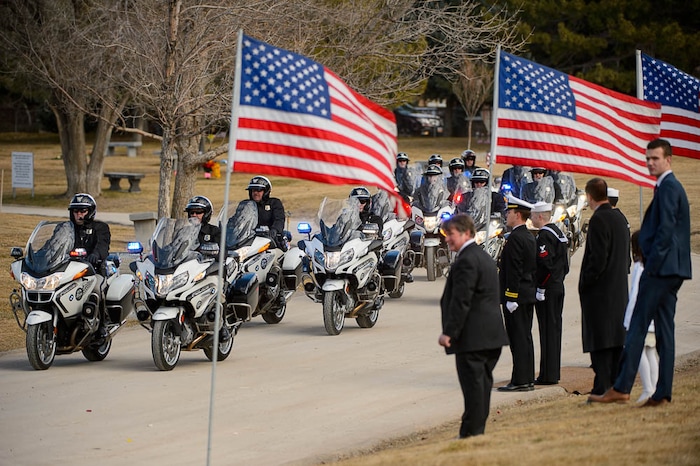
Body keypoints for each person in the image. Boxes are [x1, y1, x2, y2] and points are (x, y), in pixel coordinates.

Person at [589, 139, 691, 406]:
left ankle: (622, 386)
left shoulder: (668, 187)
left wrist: (652, 265)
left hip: (660, 270)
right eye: (647, 158)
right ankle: (663, 393)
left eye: (655, 158)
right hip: (672, 270)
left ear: (668, 160)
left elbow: (666, 229)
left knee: (636, 324)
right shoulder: (666, 187)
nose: (650, 162)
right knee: (665, 332)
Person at [438, 214, 508, 438]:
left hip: (474, 338)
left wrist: (449, 332)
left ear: (466, 233)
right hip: (489, 336)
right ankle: (475, 430)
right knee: (481, 386)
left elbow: (462, 300)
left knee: (474, 389)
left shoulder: (467, 260)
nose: (448, 239)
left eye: (451, 234)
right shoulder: (482, 255)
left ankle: (472, 433)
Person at [578, 178, 630, 396]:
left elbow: (597, 260)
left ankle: (603, 386)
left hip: (601, 294)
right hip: (618, 291)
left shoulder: (599, 220)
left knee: (600, 342)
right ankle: (615, 385)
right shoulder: (619, 218)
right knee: (616, 343)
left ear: (590, 197)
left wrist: (586, 283)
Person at [497, 195, 537, 392]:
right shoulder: (528, 236)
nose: (507, 214)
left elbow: (514, 270)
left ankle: (521, 379)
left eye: (509, 212)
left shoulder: (516, 238)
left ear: (518, 215)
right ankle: (526, 377)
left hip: (517, 297)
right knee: (525, 337)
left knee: (518, 338)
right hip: (526, 294)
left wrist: (511, 296)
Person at [530, 202, 569, 385]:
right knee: (554, 330)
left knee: (547, 332)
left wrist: (541, 287)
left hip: (548, 290)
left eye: (532, 215)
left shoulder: (544, 236)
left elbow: (546, 266)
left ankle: (548, 375)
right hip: (558, 286)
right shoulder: (558, 232)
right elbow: (564, 265)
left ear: (540, 216)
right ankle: (551, 372)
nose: (530, 218)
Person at [68, 193, 111, 340]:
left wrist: (96, 255)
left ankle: (102, 327)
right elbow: (53, 245)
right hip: (69, 272)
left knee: (96, 291)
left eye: (82, 211)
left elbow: (103, 246)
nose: (79, 215)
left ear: (90, 211)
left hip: (94, 271)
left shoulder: (101, 227)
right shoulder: (66, 229)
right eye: (76, 211)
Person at [623, 230, 659, 403]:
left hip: (640, 317)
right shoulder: (654, 263)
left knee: (638, 353)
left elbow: (635, 295)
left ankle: (648, 388)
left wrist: (628, 320)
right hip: (653, 316)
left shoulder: (639, 266)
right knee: (651, 352)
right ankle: (654, 387)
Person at [246, 175, 287, 250]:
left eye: (258, 190)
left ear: (266, 192)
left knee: (276, 257)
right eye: (253, 190)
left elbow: (279, 219)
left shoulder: (274, 203)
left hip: (270, 241)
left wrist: (274, 230)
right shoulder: (246, 205)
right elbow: (238, 219)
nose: (255, 193)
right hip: (249, 240)